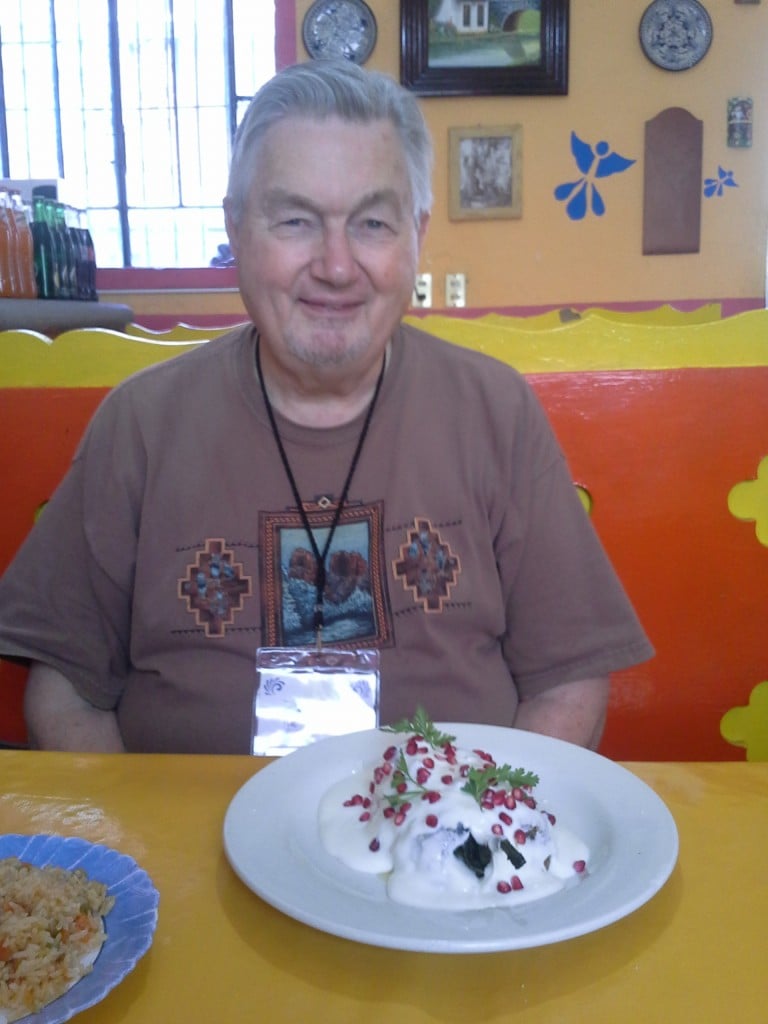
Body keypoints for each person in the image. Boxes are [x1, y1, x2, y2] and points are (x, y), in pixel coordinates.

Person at [0, 60, 653, 754]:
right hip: (189, 849)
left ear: (417, 234)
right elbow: (65, 687)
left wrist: (481, 838)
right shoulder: (139, 425)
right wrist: (140, 850)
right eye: (295, 221)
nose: (337, 266)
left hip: (439, 847)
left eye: (372, 222)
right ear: (237, 229)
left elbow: (569, 683)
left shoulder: (497, 412)